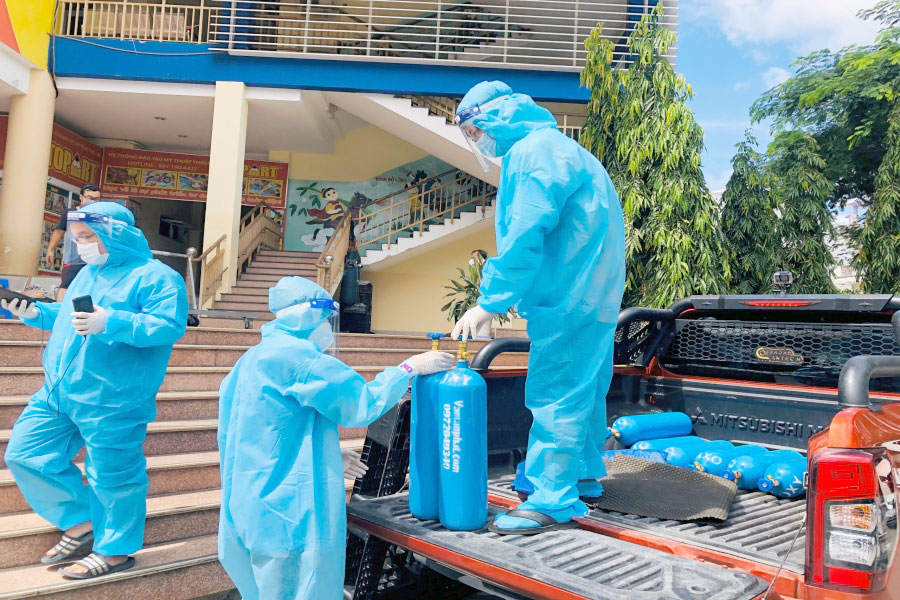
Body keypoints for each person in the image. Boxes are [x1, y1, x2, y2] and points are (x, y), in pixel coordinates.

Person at [450, 81, 626, 535]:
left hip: (567, 297)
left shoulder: (531, 155)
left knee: (557, 393)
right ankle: (582, 475)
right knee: (586, 389)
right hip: (595, 296)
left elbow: (524, 236)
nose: (479, 142)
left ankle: (552, 496)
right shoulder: (569, 151)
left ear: (494, 116)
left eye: (476, 131)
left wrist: (489, 302)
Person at [217, 276, 454, 600]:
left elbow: (250, 434)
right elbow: (360, 404)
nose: (329, 328)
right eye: (326, 319)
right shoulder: (300, 359)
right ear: (309, 315)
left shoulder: (249, 360)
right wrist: (408, 369)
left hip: (250, 507)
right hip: (289, 515)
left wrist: (324, 456)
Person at [0, 202, 188, 578]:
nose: (81, 245)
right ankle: (81, 519)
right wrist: (37, 313)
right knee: (25, 454)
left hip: (114, 396)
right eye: (77, 238)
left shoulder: (158, 277)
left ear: (116, 233)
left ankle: (115, 551)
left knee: (113, 475)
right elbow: (72, 316)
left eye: (88, 237)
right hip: (58, 390)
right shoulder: (88, 274)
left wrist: (112, 321)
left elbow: (168, 325)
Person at [47, 184, 102, 301]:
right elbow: (59, 231)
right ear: (81, 197)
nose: (92, 201)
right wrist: (50, 249)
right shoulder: (70, 213)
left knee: (92, 287)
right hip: (74, 258)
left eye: (96, 199)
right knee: (67, 283)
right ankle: (59, 307)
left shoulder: (100, 216)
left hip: (95, 257)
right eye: (89, 197)